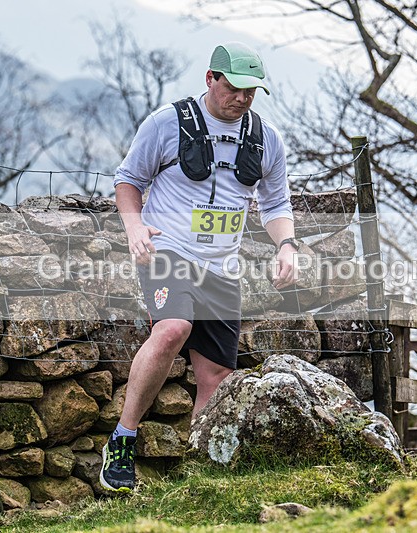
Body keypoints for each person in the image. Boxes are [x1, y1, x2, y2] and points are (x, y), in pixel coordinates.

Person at [101, 42, 298, 492]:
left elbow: (275, 202)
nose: (243, 98)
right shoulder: (167, 123)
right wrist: (134, 228)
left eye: (252, 91)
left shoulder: (266, 138)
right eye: (235, 88)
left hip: (222, 268)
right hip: (168, 253)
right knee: (172, 329)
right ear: (211, 78)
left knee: (216, 376)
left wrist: (286, 245)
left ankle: (198, 471)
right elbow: (128, 180)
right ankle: (123, 438)